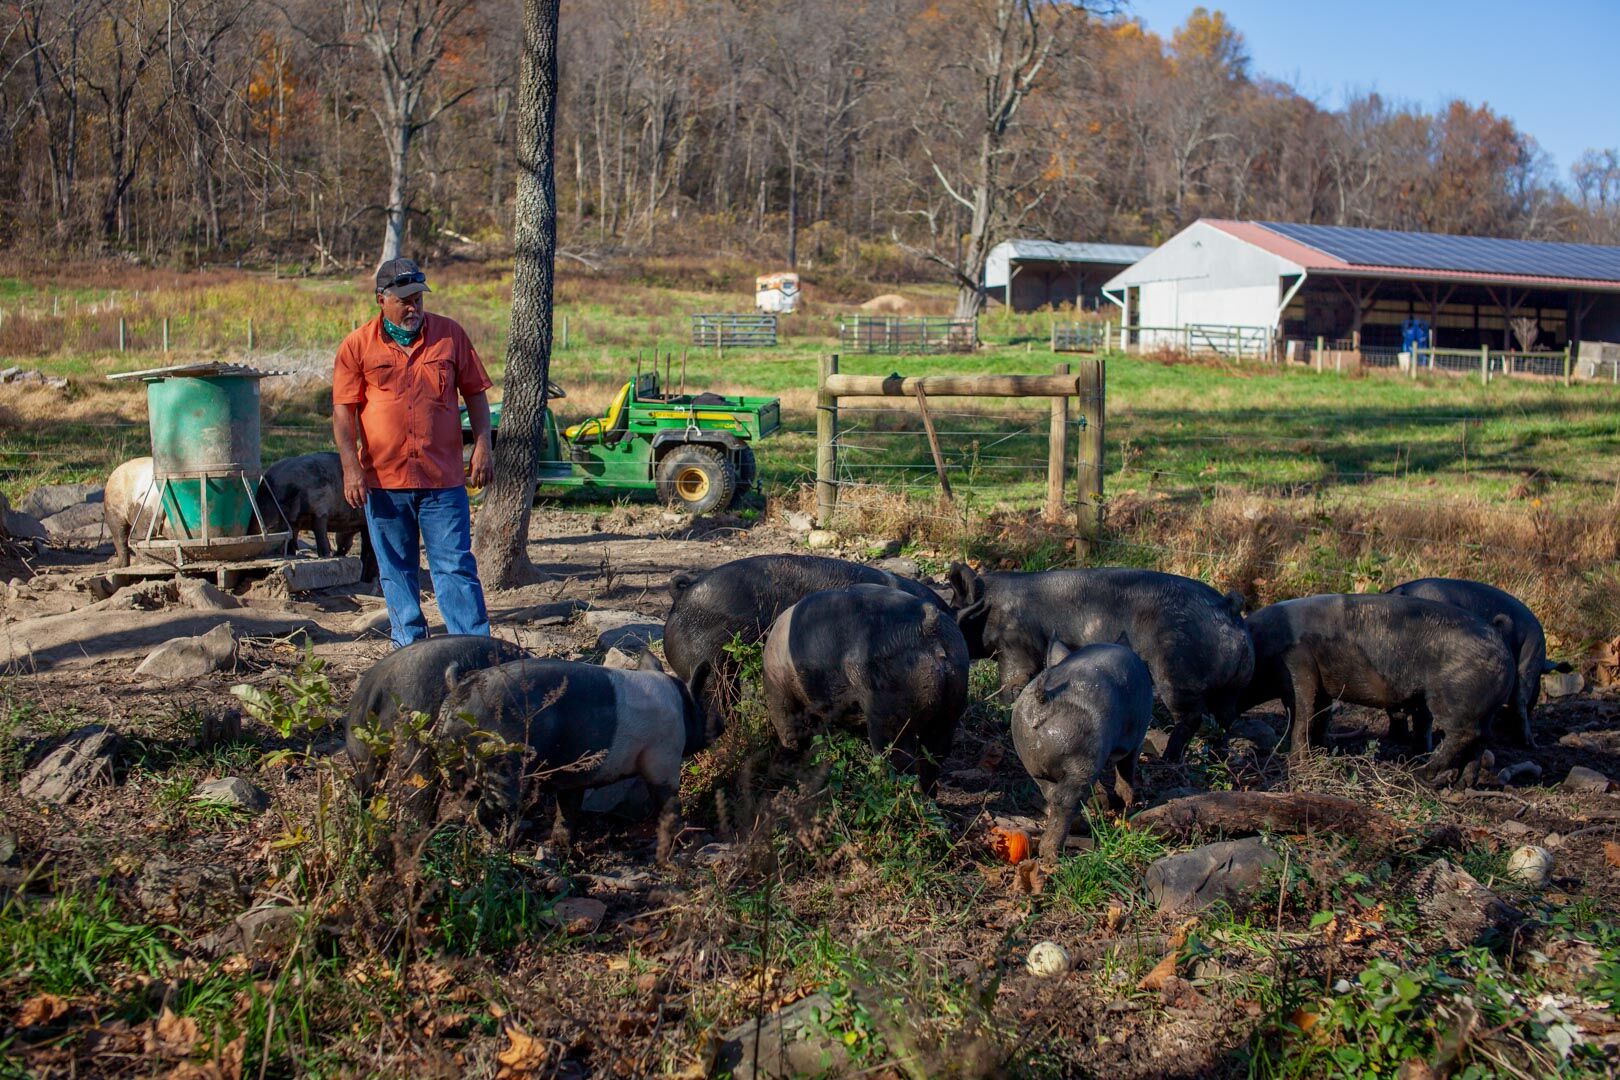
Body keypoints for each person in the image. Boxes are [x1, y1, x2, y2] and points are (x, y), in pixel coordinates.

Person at [333, 257, 496, 647]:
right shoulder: (357, 345)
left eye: (418, 299)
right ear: (381, 299)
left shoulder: (450, 335)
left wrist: (483, 445)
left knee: (455, 566)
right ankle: (408, 650)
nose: (413, 307)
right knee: (396, 569)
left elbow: (475, 393)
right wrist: (350, 468)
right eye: (404, 300)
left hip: (443, 481)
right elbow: (343, 412)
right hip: (384, 482)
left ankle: (473, 648)